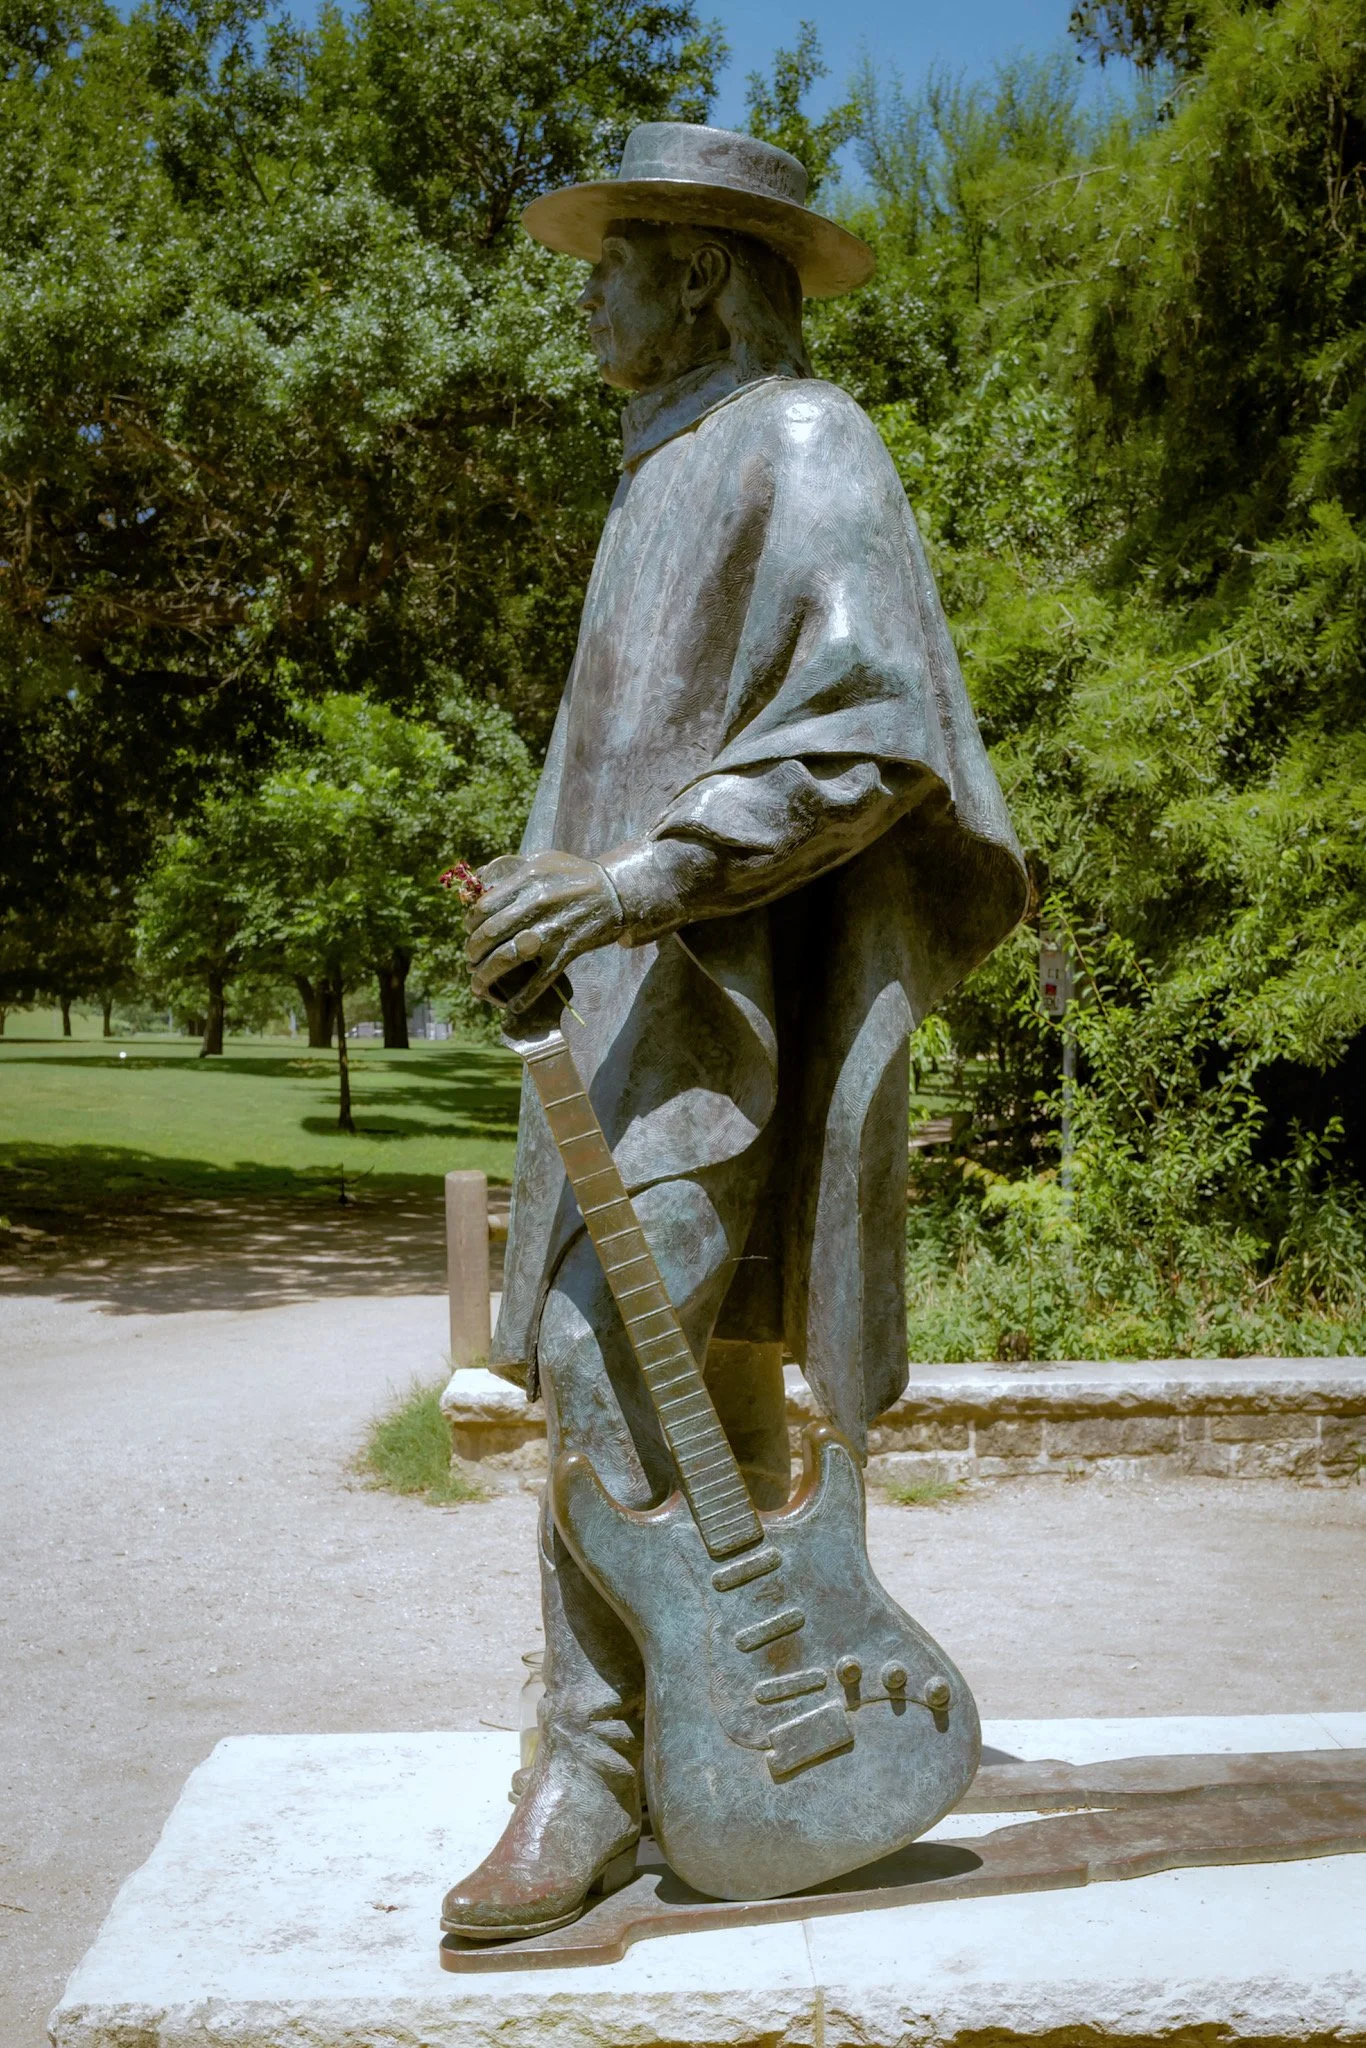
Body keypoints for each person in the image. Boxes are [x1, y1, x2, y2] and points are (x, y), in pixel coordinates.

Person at [442, 121, 1026, 1941]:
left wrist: (630, 887)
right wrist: (563, 905)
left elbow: (867, 732)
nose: (587, 297)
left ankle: (600, 1770)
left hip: (720, 1009)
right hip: (628, 1004)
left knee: (607, 1348)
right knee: (626, 1354)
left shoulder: (799, 438)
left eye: (613, 262)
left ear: (698, 270)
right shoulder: (661, 471)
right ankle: (672, 1751)